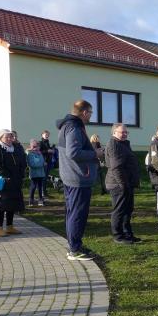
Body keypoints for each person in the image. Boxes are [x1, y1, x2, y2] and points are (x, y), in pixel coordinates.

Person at [57, 99, 103, 261]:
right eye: (90, 113)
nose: (91, 116)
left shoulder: (68, 126)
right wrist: (95, 153)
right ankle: (74, 250)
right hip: (77, 178)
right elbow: (73, 153)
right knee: (77, 214)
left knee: (73, 213)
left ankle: (74, 245)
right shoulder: (73, 127)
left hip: (72, 176)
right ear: (84, 112)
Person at [105, 123, 141, 244]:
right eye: (122, 132)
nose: (125, 134)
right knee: (119, 210)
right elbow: (116, 167)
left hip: (126, 183)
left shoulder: (123, 144)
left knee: (128, 210)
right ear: (114, 132)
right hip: (118, 184)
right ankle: (118, 236)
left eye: (126, 132)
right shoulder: (114, 144)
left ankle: (127, 233)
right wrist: (123, 185)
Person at [0, 129, 26, 237]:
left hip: (15, 180)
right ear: (1, 138)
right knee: (2, 205)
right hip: (4, 181)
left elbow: (21, 161)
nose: (10, 139)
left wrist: (20, 174)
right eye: (7, 137)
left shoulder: (15, 148)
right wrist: (6, 176)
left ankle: (10, 227)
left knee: (12, 204)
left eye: (11, 137)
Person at [26, 139, 46, 206]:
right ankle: (31, 200)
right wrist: (42, 164)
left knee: (40, 187)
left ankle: (40, 200)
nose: (36, 148)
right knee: (33, 187)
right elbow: (32, 164)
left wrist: (42, 163)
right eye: (34, 146)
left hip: (41, 173)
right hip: (34, 174)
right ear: (31, 146)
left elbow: (43, 161)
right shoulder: (30, 154)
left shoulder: (40, 153)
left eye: (37, 146)